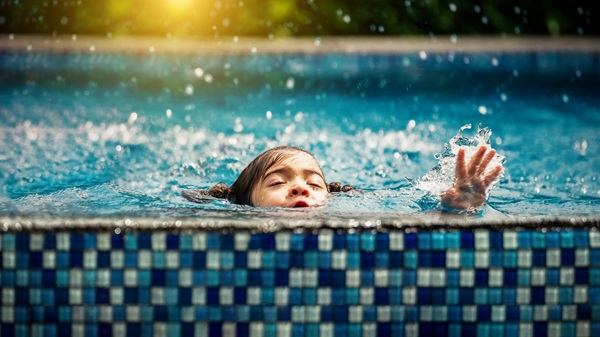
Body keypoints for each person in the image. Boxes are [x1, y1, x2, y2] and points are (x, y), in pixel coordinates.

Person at [182, 145, 503, 211]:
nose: (299, 187)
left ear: (330, 196)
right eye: (277, 182)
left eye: (314, 183)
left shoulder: (356, 216)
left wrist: (460, 208)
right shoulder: (235, 217)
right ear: (244, 202)